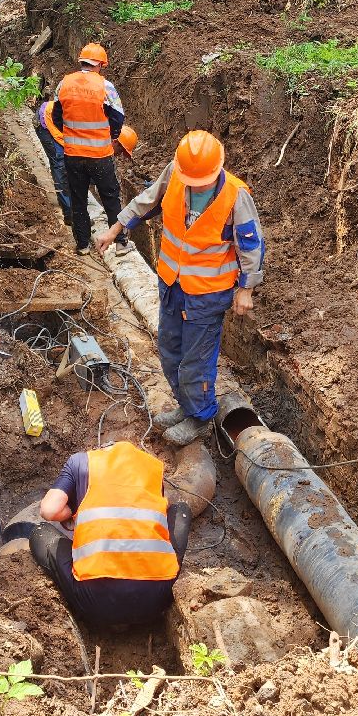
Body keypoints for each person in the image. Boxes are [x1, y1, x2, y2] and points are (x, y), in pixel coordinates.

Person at [96, 131, 265, 446]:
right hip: (171, 283)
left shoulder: (235, 195)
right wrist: (117, 227)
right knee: (170, 351)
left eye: (201, 181)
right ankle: (188, 407)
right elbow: (148, 202)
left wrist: (246, 289)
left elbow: (251, 245)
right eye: (191, 179)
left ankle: (201, 419)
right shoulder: (175, 173)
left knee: (195, 362)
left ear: (217, 170)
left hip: (207, 293)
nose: (194, 185)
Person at [29, 441, 191, 629]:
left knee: (40, 533)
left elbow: (49, 510)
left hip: (95, 603)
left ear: (100, 450)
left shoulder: (79, 462)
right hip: (156, 599)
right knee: (181, 509)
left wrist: (74, 511)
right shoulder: (152, 466)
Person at [50, 44, 132, 256]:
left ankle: (83, 244)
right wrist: (109, 136)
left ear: (82, 62)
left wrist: (71, 134)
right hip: (99, 155)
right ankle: (121, 243)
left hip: (73, 154)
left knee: (78, 199)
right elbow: (118, 118)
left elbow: (57, 116)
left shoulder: (64, 83)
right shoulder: (106, 86)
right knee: (111, 197)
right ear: (100, 65)